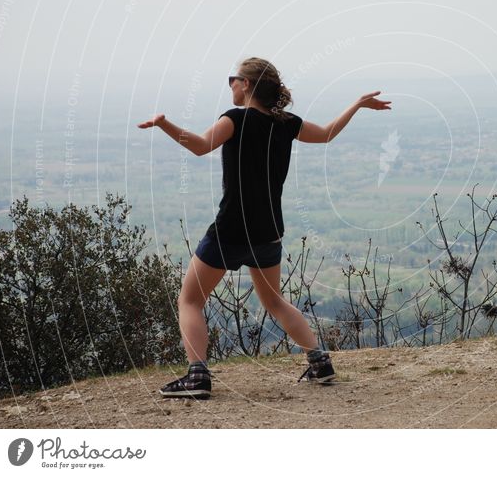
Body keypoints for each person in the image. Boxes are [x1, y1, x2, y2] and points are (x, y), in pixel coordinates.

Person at [137, 57, 391, 398]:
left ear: (246, 85)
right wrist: (357, 105)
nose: (230, 85)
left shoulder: (236, 119)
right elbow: (328, 134)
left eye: (233, 79)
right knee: (275, 301)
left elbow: (200, 146)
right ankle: (320, 363)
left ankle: (197, 377)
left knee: (190, 300)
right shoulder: (287, 123)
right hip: (269, 230)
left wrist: (163, 124)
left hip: (231, 228)